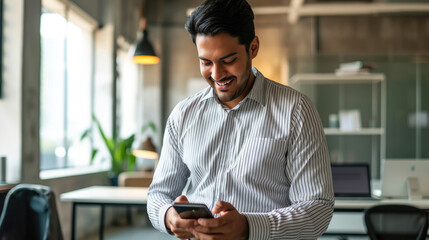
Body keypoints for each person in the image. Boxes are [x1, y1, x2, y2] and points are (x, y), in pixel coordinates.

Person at [147, 0, 334, 239]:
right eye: (205, 62)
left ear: (253, 48)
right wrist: (167, 216)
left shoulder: (296, 110)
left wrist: (248, 227)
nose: (216, 75)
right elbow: (158, 195)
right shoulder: (183, 115)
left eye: (228, 60)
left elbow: (318, 209)